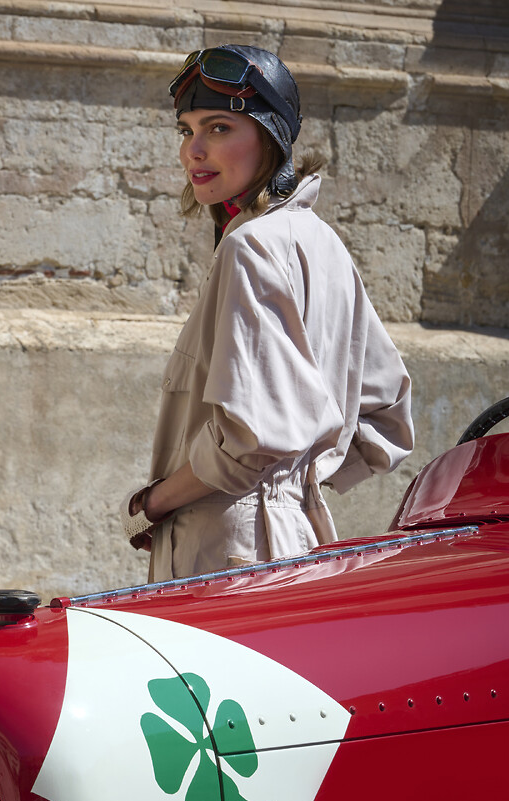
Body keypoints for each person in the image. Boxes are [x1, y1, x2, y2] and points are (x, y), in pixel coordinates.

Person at [120, 45, 414, 583]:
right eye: (186, 131)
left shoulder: (250, 247)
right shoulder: (319, 241)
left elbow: (246, 443)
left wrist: (157, 501)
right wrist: (294, 487)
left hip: (226, 548)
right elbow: (385, 412)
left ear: (272, 137)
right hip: (296, 541)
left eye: (219, 128)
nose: (195, 152)